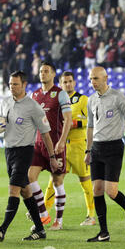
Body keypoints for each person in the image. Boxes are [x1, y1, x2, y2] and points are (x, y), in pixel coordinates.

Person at [0, 71, 58, 241]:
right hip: (9, 152)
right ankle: (40, 230)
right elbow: (4, 126)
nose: (12, 87)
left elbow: (46, 134)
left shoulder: (33, 107)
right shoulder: (5, 103)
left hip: (24, 152)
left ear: (24, 84)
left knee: (14, 189)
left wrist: (52, 157)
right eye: (10, 84)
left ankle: (2, 229)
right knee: (26, 192)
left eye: (16, 84)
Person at [84, 66, 125, 242]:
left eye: (96, 78)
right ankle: (103, 232)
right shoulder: (91, 100)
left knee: (111, 190)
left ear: (105, 78)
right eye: (91, 79)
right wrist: (88, 150)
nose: (93, 82)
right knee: (97, 190)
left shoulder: (118, 97)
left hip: (114, 147)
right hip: (96, 149)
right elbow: (90, 126)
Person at [43, 71, 96, 226]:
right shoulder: (56, 100)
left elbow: (89, 121)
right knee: (54, 179)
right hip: (60, 145)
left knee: (85, 179)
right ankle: (44, 213)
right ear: (60, 84)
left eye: (70, 81)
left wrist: (72, 123)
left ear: (74, 83)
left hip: (78, 145)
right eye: (64, 82)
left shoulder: (82, 100)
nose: (68, 84)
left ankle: (91, 216)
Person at [28, 62, 72, 231]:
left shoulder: (60, 95)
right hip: (38, 144)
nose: (43, 74)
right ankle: (43, 214)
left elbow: (68, 119)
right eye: (41, 71)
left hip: (55, 144)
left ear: (53, 74)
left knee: (57, 181)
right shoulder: (35, 95)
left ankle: (58, 221)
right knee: (30, 177)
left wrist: (62, 141)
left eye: (46, 71)